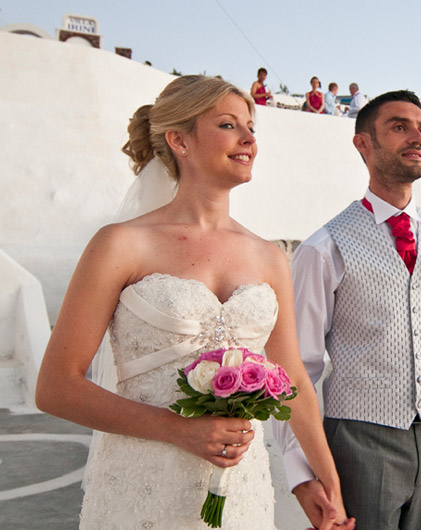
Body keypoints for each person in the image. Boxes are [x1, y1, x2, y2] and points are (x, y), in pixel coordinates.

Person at [35, 75, 353, 530]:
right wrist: (176, 428)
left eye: (252, 128)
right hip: (142, 488)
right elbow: (55, 387)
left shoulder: (270, 256)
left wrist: (329, 480)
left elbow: (293, 377)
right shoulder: (120, 245)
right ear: (179, 140)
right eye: (229, 125)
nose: (248, 139)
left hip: (242, 491)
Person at [274, 90, 421, 530]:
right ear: (363, 144)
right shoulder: (323, 249)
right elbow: (297, 371)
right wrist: (301, 473)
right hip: (357, 440)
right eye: (399, 126)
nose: (416, 137)